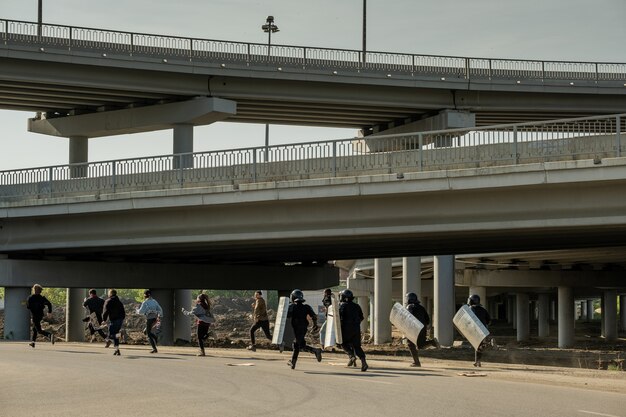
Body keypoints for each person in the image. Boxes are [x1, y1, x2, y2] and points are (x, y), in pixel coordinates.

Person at [286, 289, 323, 370]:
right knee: (299, 345)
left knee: (298, 345)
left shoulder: (292, 306)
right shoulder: (306, 307)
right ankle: (293, 362)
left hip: (297, 328)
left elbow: (287, 315)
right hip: (303, 328)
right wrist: (315, 325)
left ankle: (315, 351)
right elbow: (314, 316)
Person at [405, 292, 439, 367]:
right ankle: (432, 342)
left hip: (414, 328)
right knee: (420, 344)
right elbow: (428, 320)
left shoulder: (409, 307)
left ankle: (416, 362)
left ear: (409, 299)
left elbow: (408, 318)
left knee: (410, 344)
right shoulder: (421, 307)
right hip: (423, 329)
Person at [338, 289, 368, 372]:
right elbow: (361, 317)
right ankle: (364, 362)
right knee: (357, 346)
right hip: (356, 329)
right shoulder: (357, 306)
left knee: (342, 343)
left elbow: (339, 318)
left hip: (346, 329)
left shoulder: (342, 306)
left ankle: (351, 356)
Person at [468, 294, 496, 367]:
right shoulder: (483, 309)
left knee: (478, 346)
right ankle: (477, 362)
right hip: (483, 330)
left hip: (475, 330)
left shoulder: (470, 309)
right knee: (478, 346)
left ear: (471, 301)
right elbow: (489, 321)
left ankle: (490, 343)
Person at [26, 284, 55, 348]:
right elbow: (49, 304)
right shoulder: (42, 298)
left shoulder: (30, 298)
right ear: (40, 291)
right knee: (34, 329)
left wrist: (32, 307)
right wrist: (49, 312)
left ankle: (49, 335)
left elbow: (28, 307)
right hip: (40, 315)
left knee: (39, 330)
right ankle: (33, 343)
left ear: (34, 290)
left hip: (34, 316)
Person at [137, 289, 164, 354]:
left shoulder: (145, 302)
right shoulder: (155, 301)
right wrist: (160, 316)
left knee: (148, 334)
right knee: (146, 331)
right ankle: (155, 337)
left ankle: (154, 349)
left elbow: (141, 312)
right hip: (154, 319)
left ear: (145, 295)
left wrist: (137, 310)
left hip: (149, 319)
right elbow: (160, 309)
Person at [102, 289, 125, 356]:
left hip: (114, 320)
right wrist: (122, 318)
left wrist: (104, 320)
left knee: (111, 335)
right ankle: (117, 350)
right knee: (115, 336)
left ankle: (120, 335)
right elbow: (123, 311)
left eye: (109, 293)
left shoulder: (108, 301)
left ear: (111, 294)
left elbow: (105, 311)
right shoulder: (119, 302)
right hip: (120, 319)